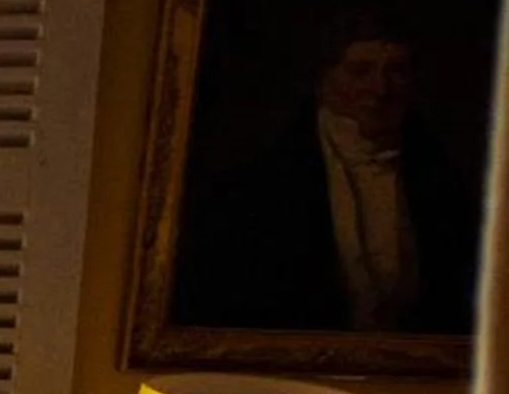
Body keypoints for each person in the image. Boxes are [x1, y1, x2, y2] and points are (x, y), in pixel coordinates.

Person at [172, 17, 480, 336]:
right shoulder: (261, 187)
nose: (380, 89)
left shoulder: (443, 183)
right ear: (324, 81)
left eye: (397, 71)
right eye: (360, 71)